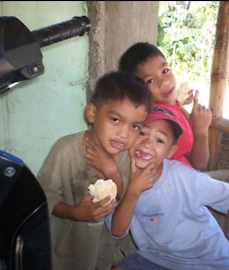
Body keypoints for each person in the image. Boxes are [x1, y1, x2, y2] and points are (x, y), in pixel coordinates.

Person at [105, 104, 229, 270]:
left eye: (159, 140)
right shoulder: (118, 177)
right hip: (158, 258)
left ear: (170, 151)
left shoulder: (184, 178)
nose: (147, 143)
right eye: (142, 133)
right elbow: (117, 231)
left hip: (208, 260)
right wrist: (132, 191)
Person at [37, 71, 152, 270]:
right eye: (115, 120)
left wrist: (112, 172)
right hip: (66, 248)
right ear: (92, 113)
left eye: (135, 126)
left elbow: (128, 202)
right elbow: (46, 197)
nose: (124, 134)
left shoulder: (130, 157)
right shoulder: (66, 150)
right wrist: (75, 213)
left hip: (104, 251)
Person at [118, 42, 211, 171]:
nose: (164, 82)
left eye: (165, 71)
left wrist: (179, 102)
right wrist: (201, 131)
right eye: (150, 80)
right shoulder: (166, 124)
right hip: (181, 183)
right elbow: (199, 163)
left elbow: (166, 109)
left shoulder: (158, 108)